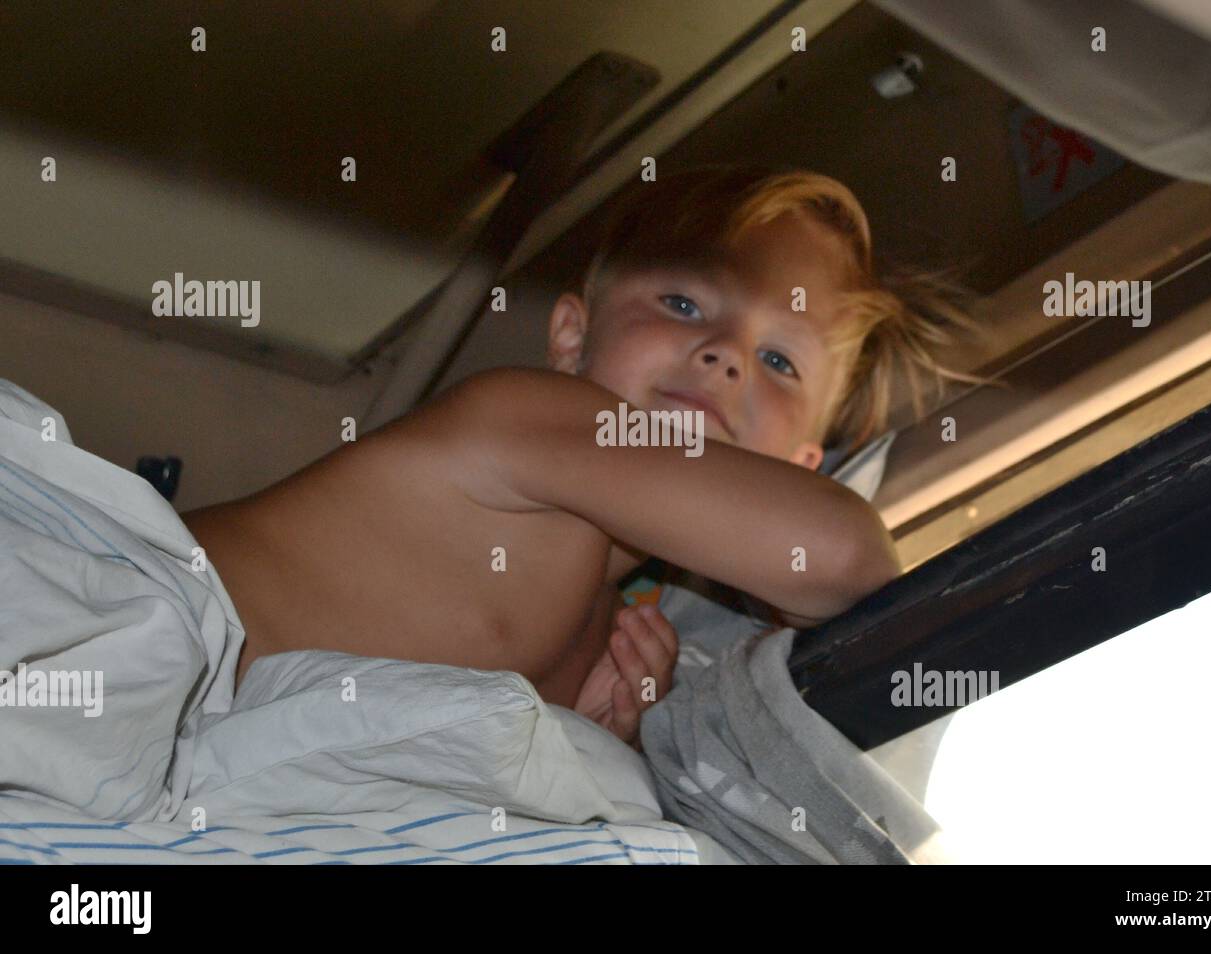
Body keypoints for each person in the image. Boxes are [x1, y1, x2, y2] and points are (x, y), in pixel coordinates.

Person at [181, 164, 986, 749]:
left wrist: (609, 743)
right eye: (683, 303)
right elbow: (845, 558)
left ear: (800, 462)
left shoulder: (618, 640)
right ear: (571, 338)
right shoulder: (524, 421)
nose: (726, 355)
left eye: (780, 362)